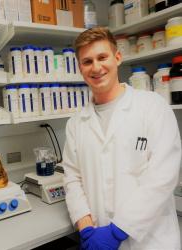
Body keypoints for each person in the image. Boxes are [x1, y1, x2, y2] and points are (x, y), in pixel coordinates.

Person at [62, 26, 181, 250]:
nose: (96, 67)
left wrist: (118, 230)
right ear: (80, 68)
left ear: (117, 58)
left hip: (152, 242)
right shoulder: (76, 124)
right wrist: (86, 226)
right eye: (87, 61)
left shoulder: (153, 107)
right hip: (98, 235)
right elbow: (72, 179)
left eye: (102, 57)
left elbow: (163, 177)